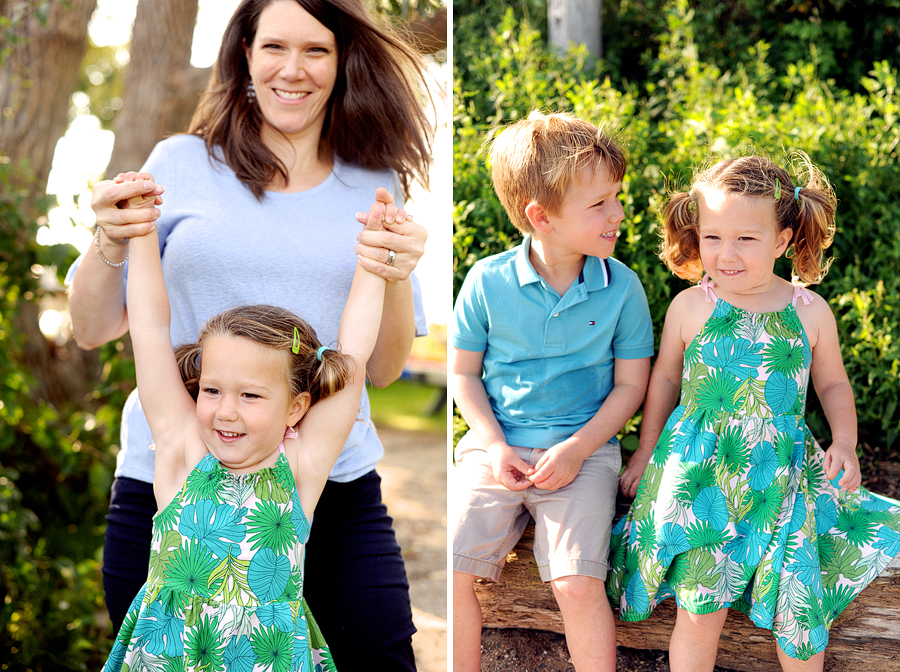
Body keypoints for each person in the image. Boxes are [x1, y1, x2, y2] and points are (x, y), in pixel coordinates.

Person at [66, 1, 433, 669]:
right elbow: (124, 327)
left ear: (344, 59)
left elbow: (366, 365)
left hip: (336, 490)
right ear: (244, 54)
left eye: (316, 50)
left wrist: (388, 266)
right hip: (164, 490)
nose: (293, 69)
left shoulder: (376, 184)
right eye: (275, 47)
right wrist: (123, 237)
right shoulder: (179, 163)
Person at [606, 153, 900, 672]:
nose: (726, 253)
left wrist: (846, 442)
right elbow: (665, 382)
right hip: (701, 479)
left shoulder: (808, 311)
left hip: (782, 478)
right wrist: (644, 454)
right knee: (700, 611)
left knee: (800, 606)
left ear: (783, 240)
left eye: (747, 238)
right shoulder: (690, 307)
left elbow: (832, 383)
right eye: (713, 236)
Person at [99, 173, 386, 671]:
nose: (224, 411)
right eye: (211, 390)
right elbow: (149, 328)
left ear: (296, 408)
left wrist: (376, 261)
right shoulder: (185, 448)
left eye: (250, 395)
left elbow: (354, 355)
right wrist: (143, 232)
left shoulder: (300, 467)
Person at [451, 111, 655, 672]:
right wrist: (492, 446)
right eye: (600, 205)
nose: (618, 214)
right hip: (495, 448)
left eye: (617, 197)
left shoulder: (623, 288)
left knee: (576, 581)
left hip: (583, 453)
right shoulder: (486, 281)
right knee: (453, 568)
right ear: (541, 217)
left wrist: (579, 449)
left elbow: (631, 385)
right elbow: (463, 375)